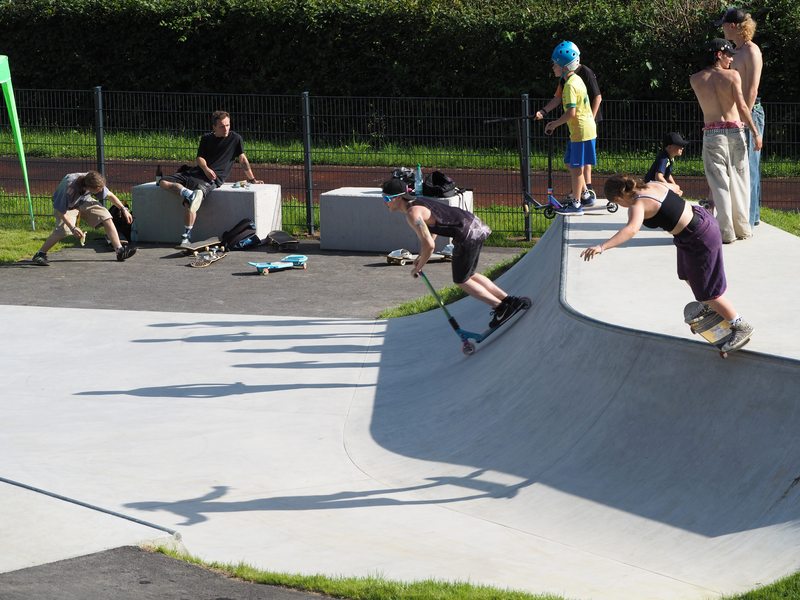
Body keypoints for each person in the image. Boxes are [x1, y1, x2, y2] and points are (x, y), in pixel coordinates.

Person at [580, 174, 753, 353]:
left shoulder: (637, 205)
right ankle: (708, 305)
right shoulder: (651, 185)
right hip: (699, 223)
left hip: (699, 237)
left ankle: (740, 326)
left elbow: (631, 230)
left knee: (708, 291)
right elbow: (676, 189)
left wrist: (602, 246)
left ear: (618, 198)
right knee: (686, 274)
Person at [380, 178, 525, 329]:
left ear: (398, 197)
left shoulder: (412, 214)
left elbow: (429, 244)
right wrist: (421, 257)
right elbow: (430, 234)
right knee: (470, 275)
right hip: (476, 225)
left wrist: (419, 267)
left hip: (466, 234)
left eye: (386, 198)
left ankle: (501, 308)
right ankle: (509, 300)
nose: (384, 203)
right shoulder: (418, 202)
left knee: (461, 280)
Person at [690, 38, 761, 244]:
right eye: (729, 55)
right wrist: (755, 132)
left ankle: (726, 232)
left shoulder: (695, 79)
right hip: (735, 132)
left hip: (712, 134)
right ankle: (743, 229)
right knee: (740, 181)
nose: (731, 59)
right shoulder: (733, 76)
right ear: (719, 54)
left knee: (719, 183)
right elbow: (743, 107)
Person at [157, 110, 263, 246]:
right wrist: (206, 169)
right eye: (222, 126)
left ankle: (186, 236)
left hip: (212, 179)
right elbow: (200, 158)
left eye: (228, 125)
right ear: (214, 127)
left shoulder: (236, 138)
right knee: (162, 181)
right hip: (197, 172)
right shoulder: (206, 138)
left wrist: (252, 180)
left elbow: (242, 159)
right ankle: (189, 193)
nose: (226, 129)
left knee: (190, 203)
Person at [534, 45, 602, 204]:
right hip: (578, 131)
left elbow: (571, 112)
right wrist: (544, 111)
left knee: (577, 168)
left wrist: (554, 124)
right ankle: (585, 194)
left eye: (555, 65)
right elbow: (559, 101)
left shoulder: (571, 85)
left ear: (565, 67)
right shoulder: (569, 80)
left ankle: (577, 202)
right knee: (569, 161)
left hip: (582, 130)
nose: (552, 67)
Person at [718, 7, 764, 228]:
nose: (723, 29)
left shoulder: (752, 51)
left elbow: (752, 90)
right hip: (738, 114)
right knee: (737, 167)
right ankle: (745, 214)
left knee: (750, 167)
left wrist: (746, 118)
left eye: (724, 25)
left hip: (750, 113)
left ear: (733, 26)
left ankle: (751, 216)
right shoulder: (735, 51)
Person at [32, 171, 136, 266]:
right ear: (90, 188)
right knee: (64, 230)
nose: (101, 190)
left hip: (83, 200)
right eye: (99, 189)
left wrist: (123, 209)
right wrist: (73, 228)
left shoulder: (93, 180)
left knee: (106, 217)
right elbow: (61, 211)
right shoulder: (69, 188)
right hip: (67, 206)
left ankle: (120, 251)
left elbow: (109, 195)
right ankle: (40, 254)